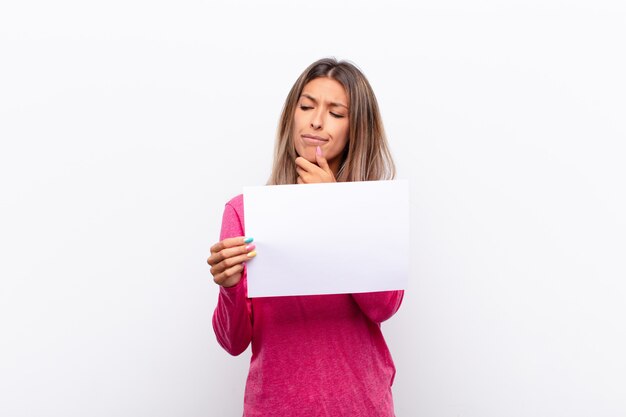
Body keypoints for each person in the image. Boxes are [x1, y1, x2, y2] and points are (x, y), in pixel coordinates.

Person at [207, 58, 404, 417]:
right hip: (276, 407)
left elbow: (384, 305)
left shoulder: (373, 208)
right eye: (307, 106)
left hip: (360, 405)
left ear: (356, 128)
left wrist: (333, 211)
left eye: (336, 112)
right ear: (291, 115)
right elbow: (232, 342)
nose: (316, 120)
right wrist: (231, 287)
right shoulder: (243, 212)